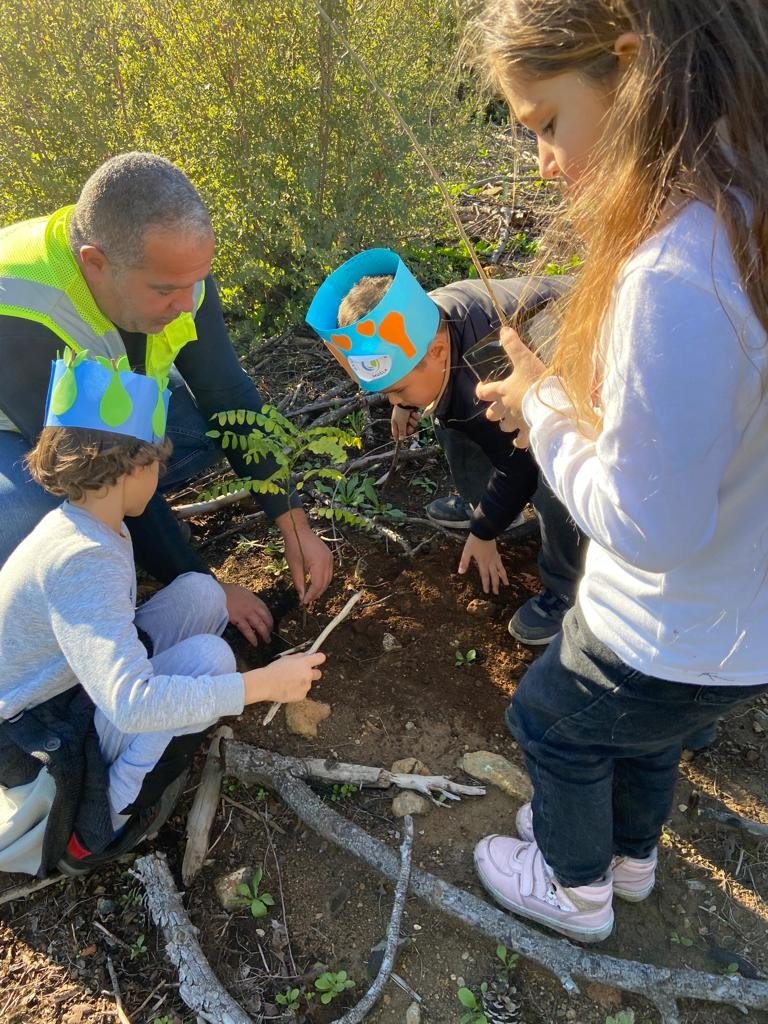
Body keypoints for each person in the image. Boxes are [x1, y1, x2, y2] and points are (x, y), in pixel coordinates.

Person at [468, 0, 768, 942]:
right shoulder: (745, 207)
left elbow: (648, 527)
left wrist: (544, 409)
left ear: (633, 69)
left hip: (668, 622)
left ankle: (575, 888)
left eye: (547, 124)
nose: (546, 162)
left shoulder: (676, 271)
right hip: (739, 630)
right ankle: (627, 861)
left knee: (553, 722)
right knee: (650, 740)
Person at [0, 351, 325, 877]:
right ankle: (97, 825)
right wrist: (262, 685)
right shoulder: (81, 559)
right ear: (135, 464)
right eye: (158, 462)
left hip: (64, 690)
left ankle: (112, 788)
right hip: (34, 741)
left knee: (201, 591)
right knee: (211, 661)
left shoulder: (91, 522)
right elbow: (130, 704)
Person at [0, 152, 333, 646]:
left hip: (109, 412)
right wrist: (199, 583)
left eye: (194, 282)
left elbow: (228, 397)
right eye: (165, 291)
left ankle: (143, 529)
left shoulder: (178, 272)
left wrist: (293, 522)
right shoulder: (21, 302)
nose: (186, 304)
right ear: (96, 263)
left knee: (201, 434)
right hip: (19, 432)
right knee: (31, 515)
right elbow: (89, 472)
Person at [306, 248, 579, 599]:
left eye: (398, 389)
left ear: (436, 352)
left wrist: (483, 532)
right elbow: (418, 376)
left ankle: (566, 588)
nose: (393, 400)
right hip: (472, 376)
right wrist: (403, 399)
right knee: (449, 412)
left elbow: (520, 463)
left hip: (577, 361)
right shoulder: (419, 318)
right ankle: (487, 504)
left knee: (552, 464)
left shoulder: (487, 370)